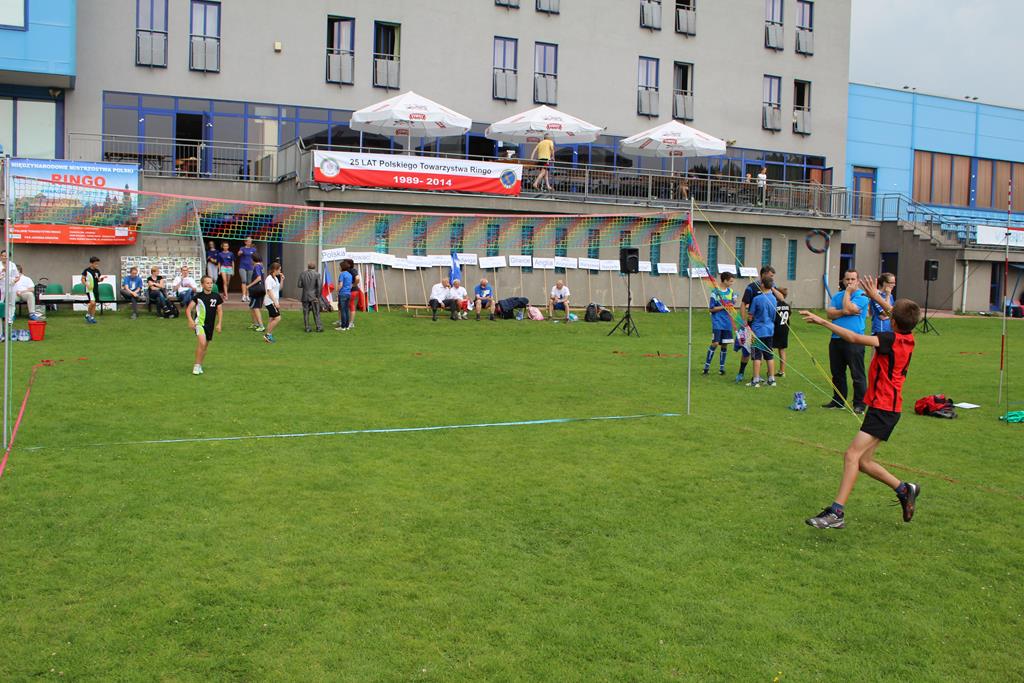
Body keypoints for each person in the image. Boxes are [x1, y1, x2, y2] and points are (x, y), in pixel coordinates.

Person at [800, 280, 922, 529]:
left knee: (851, 455)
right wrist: (876, 297)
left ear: (892, 322)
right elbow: (897, 315)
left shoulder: (888, 339)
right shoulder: (908, 337)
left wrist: (822, 321)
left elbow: (854, 337)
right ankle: (904, 489)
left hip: (884, 408)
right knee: (864, 462)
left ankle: (837, 512)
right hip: (886, 407)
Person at [823, 269, 870, 414]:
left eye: (852, 279)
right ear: (843, 281)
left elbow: (851, 308)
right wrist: (844, 311)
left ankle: (859, 404)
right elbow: (830, 314)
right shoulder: (837, 296)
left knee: (857, 374)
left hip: (855, 340)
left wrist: (848, 295)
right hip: (836, 339)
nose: (849, 282)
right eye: (847, 279)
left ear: (858, 281)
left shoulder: (862, 296)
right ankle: (838, 400)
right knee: (837, 373)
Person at [737, 265, 778, 382]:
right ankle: (742, 373)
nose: (772, 278)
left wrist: (751, 317)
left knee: (757, 355)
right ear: (763, 274)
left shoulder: (769, 291)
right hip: (761, 328)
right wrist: (744, 320)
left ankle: (756, 378)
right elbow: (743, 304)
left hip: (758, 329)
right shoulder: (751, 287)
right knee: (747, 351)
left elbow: (752, 313)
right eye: (770, 276)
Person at [187, 275, 223, 375]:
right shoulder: (198, 297)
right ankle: (196, 366)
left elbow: (220, 311)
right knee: (202, 343)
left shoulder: (216, 296)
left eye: (211, 283)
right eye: (207, 283)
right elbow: (188, 309)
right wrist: (190, 320)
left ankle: (199, 365)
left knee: (204, 347)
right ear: (202, 285)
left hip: (210, 325)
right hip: (199, 324)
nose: (210, 285)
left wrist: (219, 323)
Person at [746, 277, 778, 387]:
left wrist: (749, 318)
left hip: (757, 331)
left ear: (763, 285)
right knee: (769, 355)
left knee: (757, 356)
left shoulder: (757, 299)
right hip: (769, 330)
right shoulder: (774, 299)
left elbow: (750, 316)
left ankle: (755, 380)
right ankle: (771, 379)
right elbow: (774, 315)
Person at [704, 271, 737, 376]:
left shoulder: (731, 291)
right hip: (718, 322)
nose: (732, 283)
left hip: (727, 322)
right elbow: (711, 309)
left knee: (724, 344)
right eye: (730, 281)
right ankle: (706, 367)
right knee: (715, 343)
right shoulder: (715, 292)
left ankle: (722, 368)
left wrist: (733, 303)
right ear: (725, 280)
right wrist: (723, 306)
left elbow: (732, 303)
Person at [298, 261, 323, 332]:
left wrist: (306, 286)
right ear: (315, 267)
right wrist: (318, 297)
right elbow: (319, 286)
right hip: (314, 296)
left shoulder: (302, 274)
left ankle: (307, 328)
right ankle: (318, 327)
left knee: (306, 312)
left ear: (308, 267)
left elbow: (299, 285)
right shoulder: (317, 274)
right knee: (316, 312)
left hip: (305, 295)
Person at [773, 286, 791, 377]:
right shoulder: (787, 305)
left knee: (769, 349)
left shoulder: (774, 305)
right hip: (784, 329)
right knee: (782, 350)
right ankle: (782, 371)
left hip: (776, 328)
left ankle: (770, 371)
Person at [263, 261, 282, 343]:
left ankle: (268, 335)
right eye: (279, 269)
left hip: (273, 301)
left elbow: (279, 289)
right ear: (275, 270)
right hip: (270, 301)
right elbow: (269, 291)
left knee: (271, 319)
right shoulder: (269, 279)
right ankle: (268, 335)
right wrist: (275, 302)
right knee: (278, 318)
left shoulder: (275, 278)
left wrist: (282, 280)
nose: (280, 271)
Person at [247, 254, 266, 332]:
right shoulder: (261, 266)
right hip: (261, 289)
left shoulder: (257, 266)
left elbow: (259, 278)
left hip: (256, 290)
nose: (250, 261)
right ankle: (255, 324)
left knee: (255, 307)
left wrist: (249, 285)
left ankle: (261, 326)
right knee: (252, 307)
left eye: (251, 259)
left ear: (253, 259)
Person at [81, 256, 102, 324]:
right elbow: (82, 279)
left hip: (96, 289)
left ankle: (92, 318)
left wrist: (101, 279)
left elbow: (98, 280)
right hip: (90, 289)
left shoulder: (97, 271)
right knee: (92, 303)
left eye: (97, 264)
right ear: (91, 263)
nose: (97, 265)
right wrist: (86, 284)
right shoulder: (86, 270)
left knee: (94, 304)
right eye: (95, 264)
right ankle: (87, 315)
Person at [237, 237, 258, 303]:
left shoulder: (253, 249)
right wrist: (240, 252)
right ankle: (243, 296)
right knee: (244, 281)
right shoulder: (242, 248)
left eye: (250, 241)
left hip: (250, 267)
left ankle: (248, 296)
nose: (249, 242)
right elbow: (238, 254)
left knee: (249, 282)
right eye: (248, 241)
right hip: (242, 266)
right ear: (245, 242)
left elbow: (256, 257)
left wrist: (256, 264)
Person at [335, 259, 354, 330]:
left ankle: (343, 326)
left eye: (340, 266)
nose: (339, 268)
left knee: (343, 310)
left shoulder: (342, 274)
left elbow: (340, 284)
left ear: (342, 267)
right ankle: (347, 326)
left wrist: (337, 291)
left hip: (342, 294)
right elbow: (351, 285)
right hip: (348, 294)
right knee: (346, 310)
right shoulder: (350, 275)